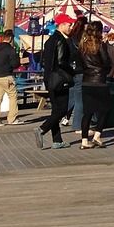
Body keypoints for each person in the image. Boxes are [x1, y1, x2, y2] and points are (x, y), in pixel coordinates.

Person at [36, 14, 77, 148]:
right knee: (62, 109)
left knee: (55, 110)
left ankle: (57, 140)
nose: (71, 27)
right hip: (60, 79)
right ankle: (42, 129)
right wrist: (72, 70)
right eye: (69, 24)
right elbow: (61, 62)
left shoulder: (49, 40)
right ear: (62, 24)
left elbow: (43, 61)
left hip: (49, 78)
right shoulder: (61, 40)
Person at [77, 22, 114, 149]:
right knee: (104, 109)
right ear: (99, 32)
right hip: (99, 81)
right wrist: (105, 70)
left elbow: (79, 64)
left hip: (86, 81)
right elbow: (106, 61)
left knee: (87, 113)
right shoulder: (100, 45)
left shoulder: (82, 46)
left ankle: (84, 141)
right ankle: (97, 136)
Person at [0, 29, 24, 127]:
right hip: (6, 76)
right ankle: (12, 119)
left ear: (3, 37)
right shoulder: (10, 49)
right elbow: (15, 64)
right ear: (11, 38)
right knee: (12, 96)